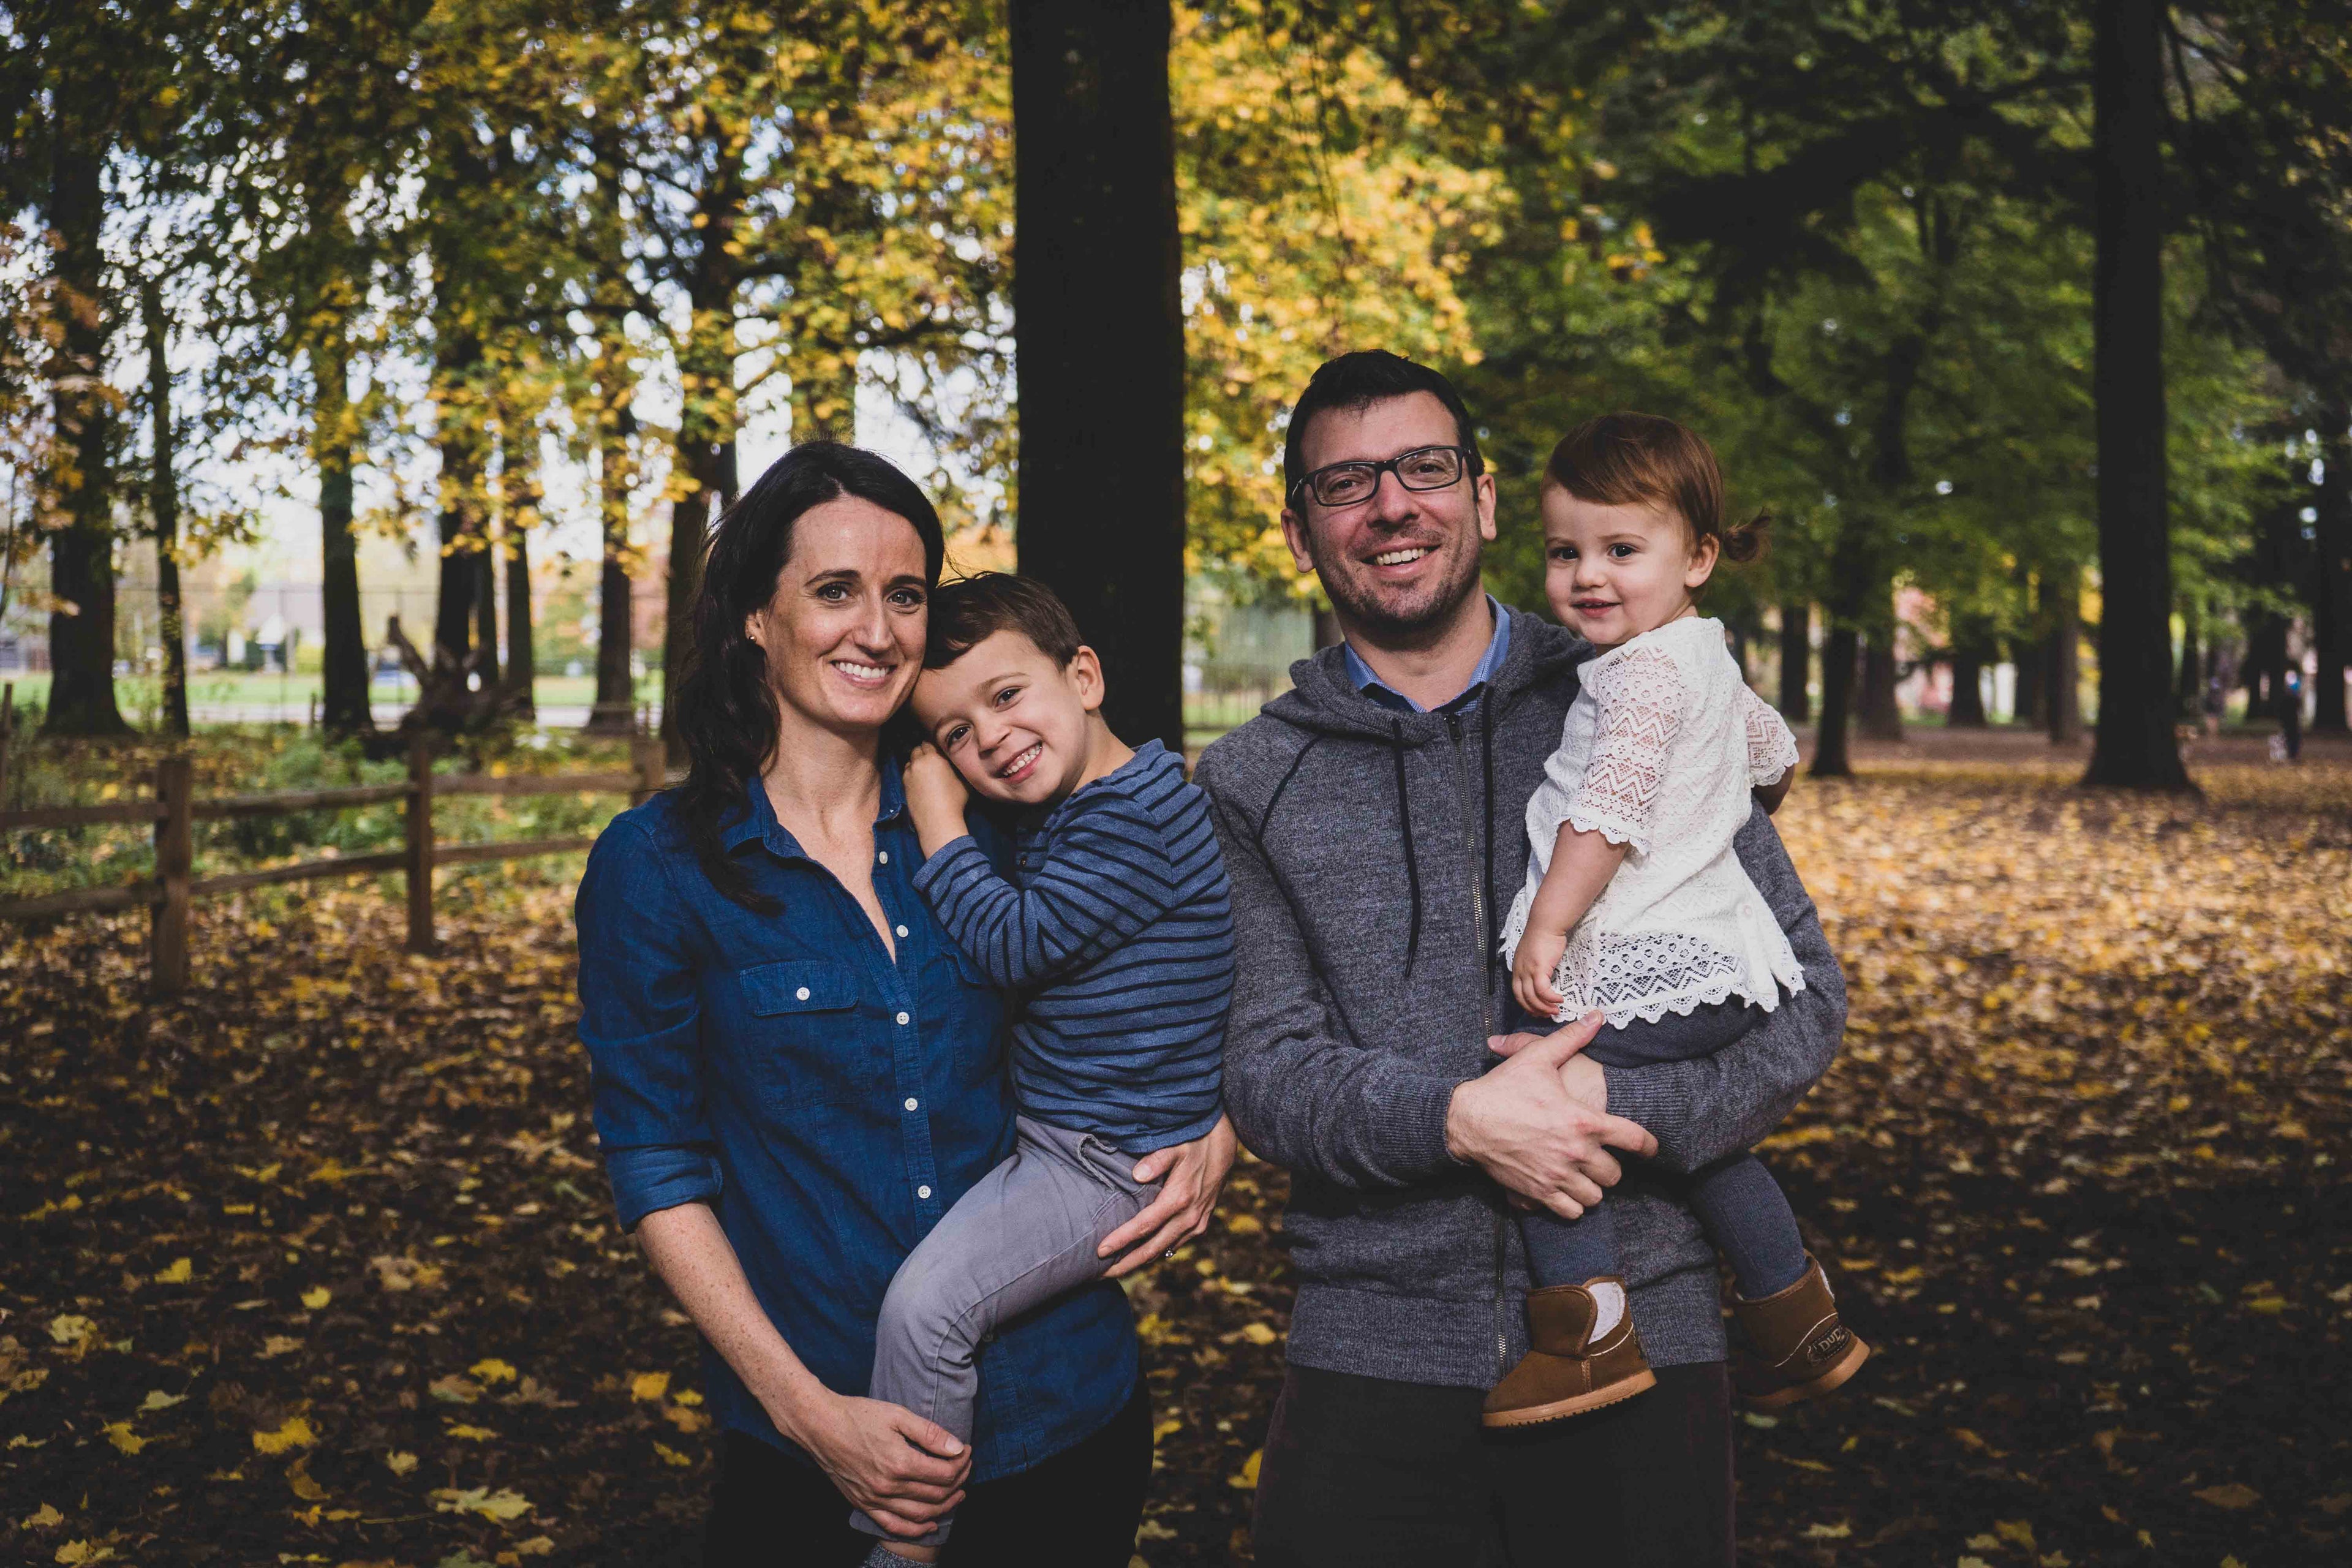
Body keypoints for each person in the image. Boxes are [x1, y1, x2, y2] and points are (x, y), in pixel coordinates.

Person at [1192, 352, 1848, 1567]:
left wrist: (1617, 1104)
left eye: (1424, 467)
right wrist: (1461, 1121)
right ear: (1298, 530)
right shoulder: (1249, 781)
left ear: (1483, 498)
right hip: (1372, 1355)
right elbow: (1269, 1073)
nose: (1393, 505)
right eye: (1346, 483)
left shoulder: (1642, 679)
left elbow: (1803, 998)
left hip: (1651, 1337)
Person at [573, 443, 1235, 1567]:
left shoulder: (1005, 817)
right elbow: (656, 1164)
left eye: (907, 595)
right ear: (756, 615)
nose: (877, 631)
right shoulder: (659, 868)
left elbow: (1179, 957)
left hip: (1067, 1418)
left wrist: (1215, 1122)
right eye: (836, 591)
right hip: (816, 1446)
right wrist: (806, 1413)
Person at [1488, 413, 1864, 1427]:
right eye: (1564, 552)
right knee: (1702, 1144)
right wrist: (1717, 802)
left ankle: (1587, 1336)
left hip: (1644, 959)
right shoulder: (1704, 656)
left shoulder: (1644, 677)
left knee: (1536, 1101)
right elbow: (1775, 756)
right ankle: (1795, 1310)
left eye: (1621, 550)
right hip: (1722, 964)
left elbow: (1605, 814)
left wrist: (1549, 929)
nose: (1587, 576)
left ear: (1697, 557)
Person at [851, 573, 1234, 1562]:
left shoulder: (1130, 817)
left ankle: (905, 1545)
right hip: (1074, 1136)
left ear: (1085, 677)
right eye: (955, 734)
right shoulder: (1099, 800)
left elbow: (1014, 945)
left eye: (1007, 695)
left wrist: (938, 819)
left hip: (1104, 1161)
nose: (991, 738)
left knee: (929, 1312)